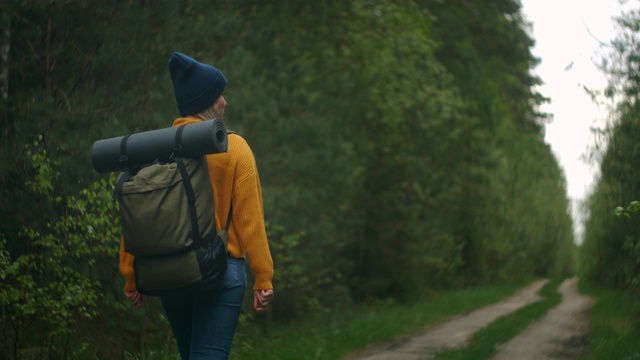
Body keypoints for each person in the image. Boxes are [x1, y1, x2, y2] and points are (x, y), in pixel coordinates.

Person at [119, 51, 274, 360]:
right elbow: (249, 221)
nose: (225, 102)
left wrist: (130, 273)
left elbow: (140, 214)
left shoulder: (157, 149)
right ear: (207, 101)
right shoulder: (235, 147)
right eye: (221, 95)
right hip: (222, 269)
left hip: (171, 270)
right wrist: (263, 276)